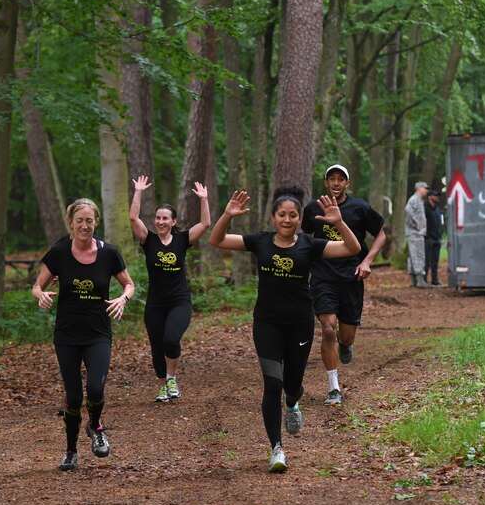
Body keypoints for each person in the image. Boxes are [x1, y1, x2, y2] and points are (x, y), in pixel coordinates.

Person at [209, 185, 360, 473]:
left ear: (300, 219)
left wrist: (339, 222)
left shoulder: (309, 245)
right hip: (267, 323)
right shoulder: (260, 242)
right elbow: (216, 240)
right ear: (273, 218)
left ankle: (293, 402)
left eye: (293, 215)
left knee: (291, 385)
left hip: (300, 323)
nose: (287, 220)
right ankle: (277, 449)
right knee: (272, 384)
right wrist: (227, 215)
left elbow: (352, 248)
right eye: (282, 215)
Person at [33, 198, 135, 472]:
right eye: (79, 220)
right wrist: (41, 294)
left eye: (89, 220)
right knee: (74, 398)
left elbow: (129, 284)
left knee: (96, 389)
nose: (84, 225)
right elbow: (36, 285)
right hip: (66, 335)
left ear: (96, 222)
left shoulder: (109, 253)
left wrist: (123, 298)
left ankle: (96, 426)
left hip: (98, 333)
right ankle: (70, 451)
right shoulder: (59, 253)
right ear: (71, 222)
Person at [301, 164, 387, 406]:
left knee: (346, 337)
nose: (336, 183)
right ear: (326, 183)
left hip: (351, 278)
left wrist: (367, 261)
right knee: (328, 329)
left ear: (347, 184)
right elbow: (306, 237)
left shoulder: (359, 208)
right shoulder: (312, 209)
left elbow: (381, 234)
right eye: (332, 179)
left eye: (341, 179)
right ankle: (333, 389)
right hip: (322, 277)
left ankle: (346, 344)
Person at [129, 176, 211, 404]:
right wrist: (138, 192)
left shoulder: (182, 240)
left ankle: (172, 378)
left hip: (179, 302)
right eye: (157, 218)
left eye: (165, 218)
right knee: (157, 351)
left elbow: (205, 224)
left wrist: (204, 199)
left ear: (174, 221)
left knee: (171, 339)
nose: (160, 221)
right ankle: (163, 384)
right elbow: (133, 217)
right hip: (155, 304)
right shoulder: (149, 240)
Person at [404, 181, 430, 288]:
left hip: (416, 233)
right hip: (415, 233)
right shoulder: (414, 199)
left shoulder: (419, 200)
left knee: (413, 255)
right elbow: (408, 211)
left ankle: (413, 280)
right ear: (419, 188)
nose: (427, 190)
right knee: (418, 254)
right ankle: (419, 280)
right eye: (425, 188)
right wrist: (416, 225)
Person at [424, 188, 444, 286]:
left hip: (437, 237)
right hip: (428, 238)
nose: (437, 197)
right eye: (435, 195)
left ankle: (435, 280)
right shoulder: (424, 208)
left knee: (435, 261)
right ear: (429, 197)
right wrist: (427, 235)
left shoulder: (437, 209)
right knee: (427, 260)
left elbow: (440, 222)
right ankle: (424, 279)